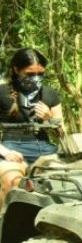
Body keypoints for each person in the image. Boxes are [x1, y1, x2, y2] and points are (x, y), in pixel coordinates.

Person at [0, 48, 63, 207]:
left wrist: (50, 120)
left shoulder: (50, 94)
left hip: (46, 150)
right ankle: (6, 226)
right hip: (12, 148)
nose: (36, 79)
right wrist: (6, 153)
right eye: (29, 74)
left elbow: (63, 135)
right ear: (16, 70)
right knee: (11, 180)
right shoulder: (2, 93)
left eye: (40, 74)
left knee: (69, 180)